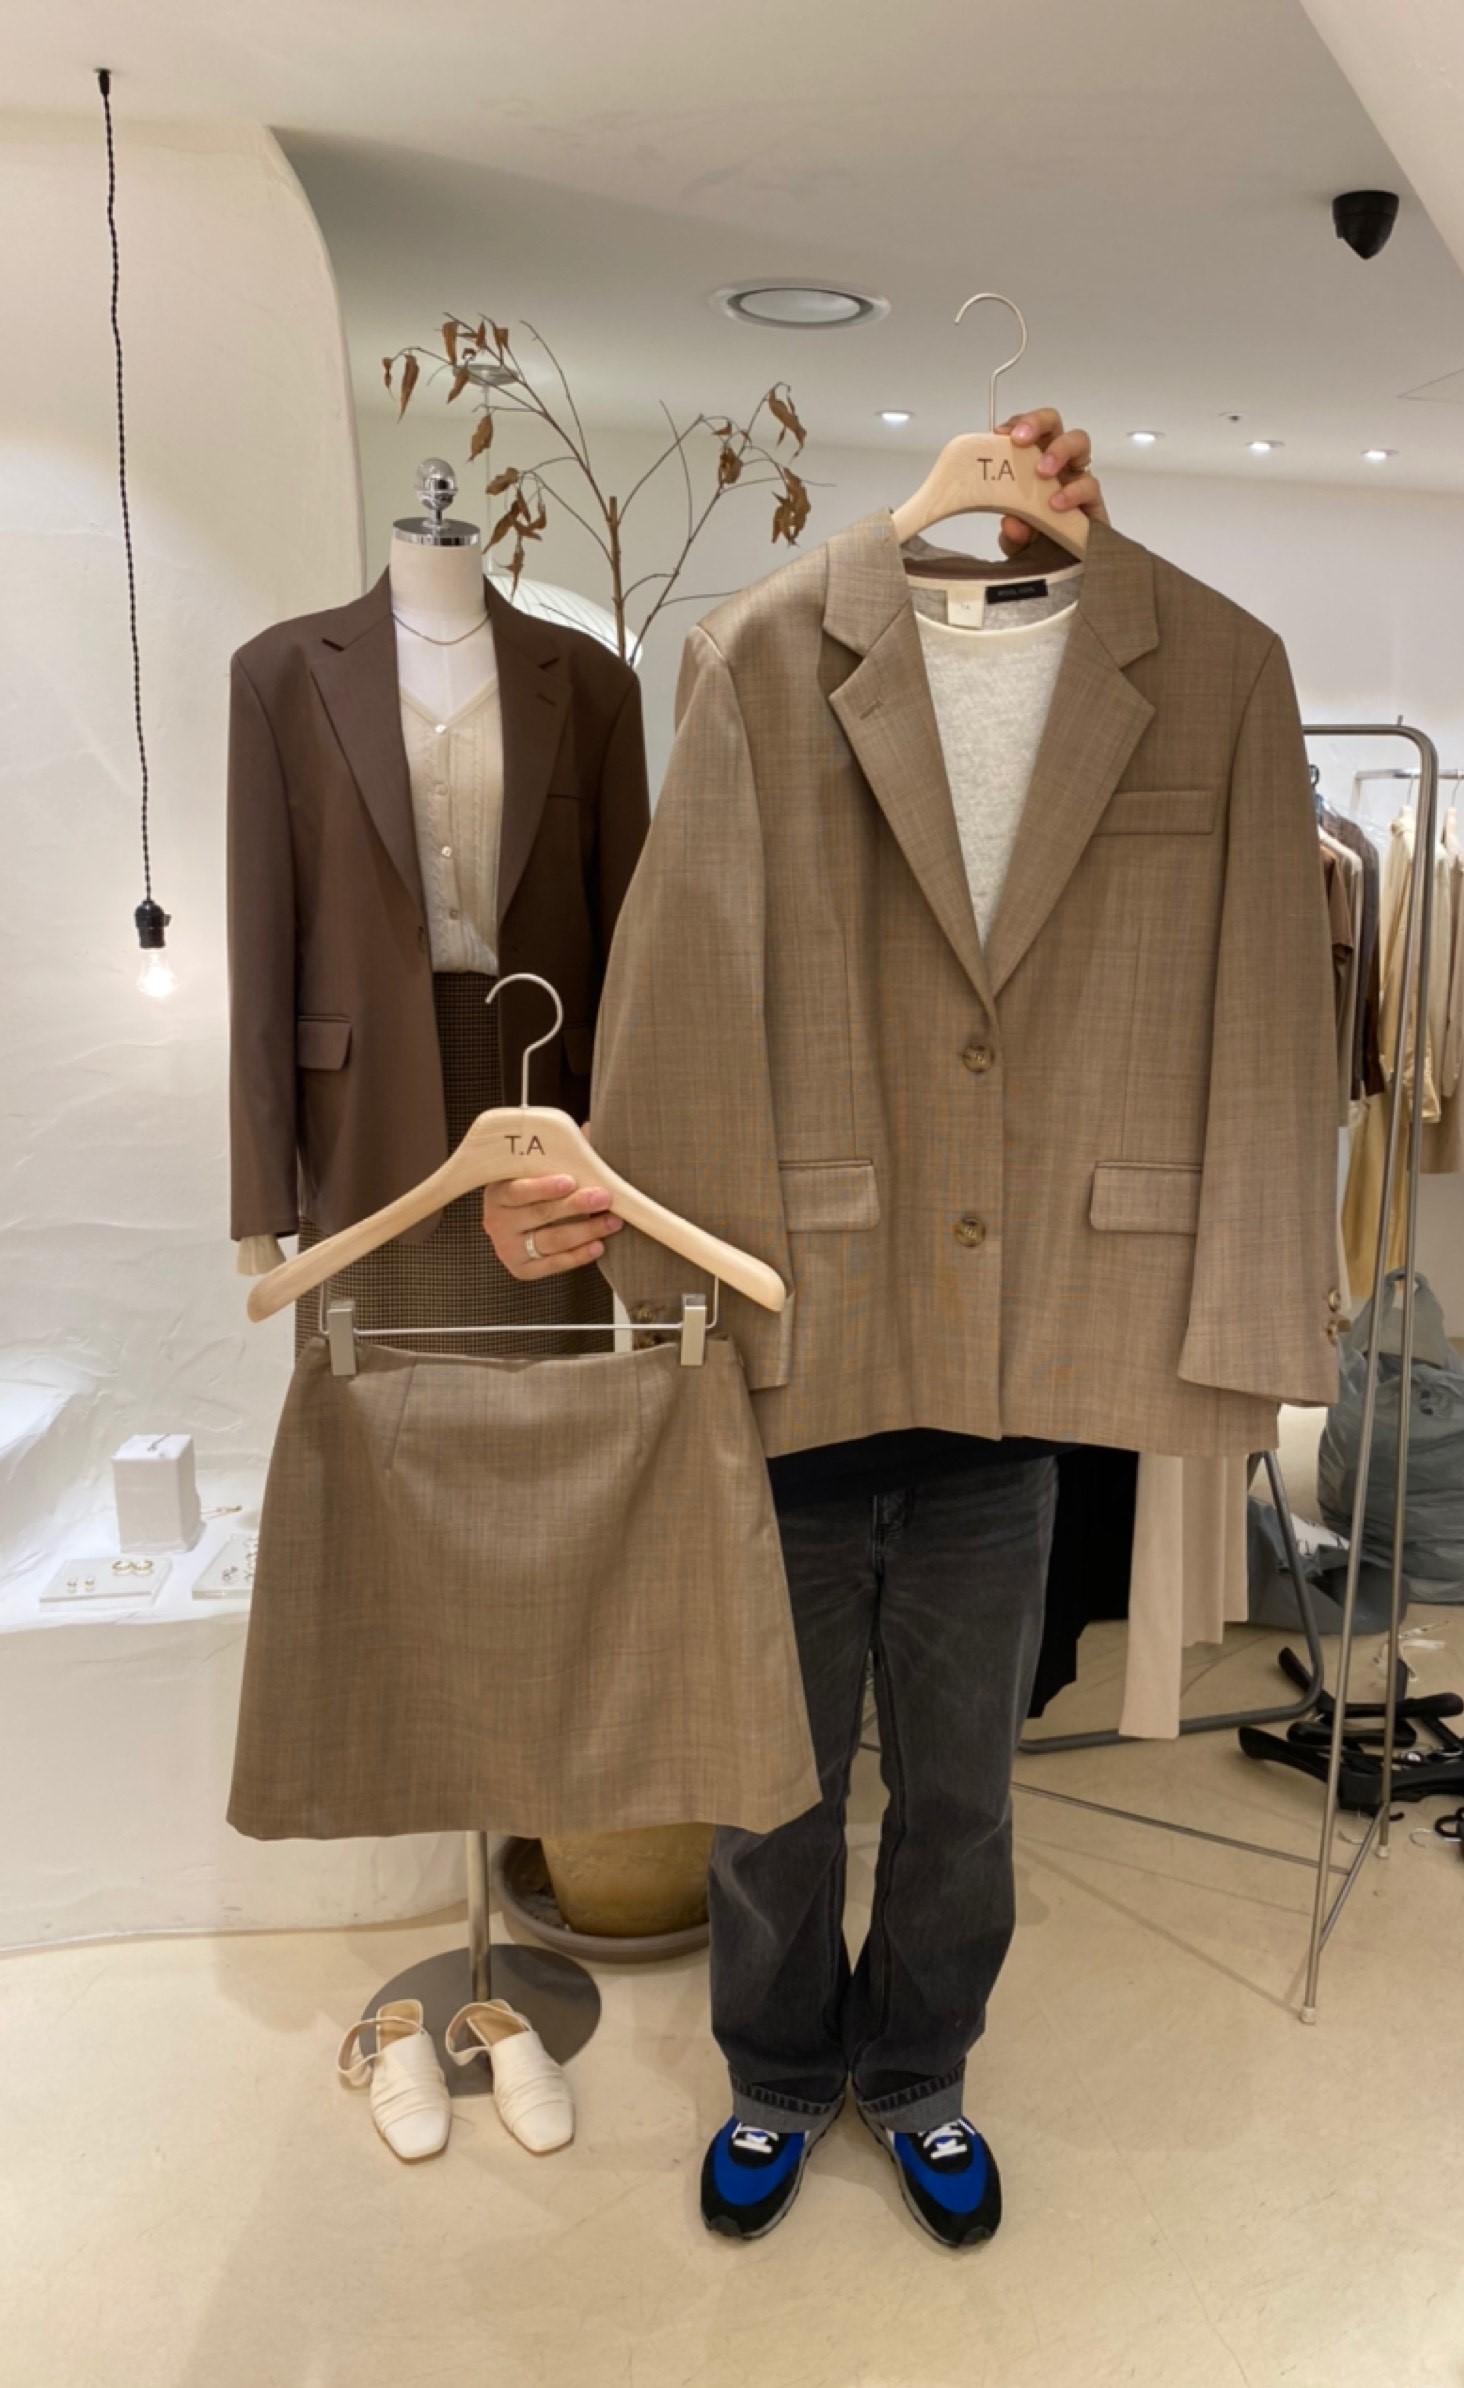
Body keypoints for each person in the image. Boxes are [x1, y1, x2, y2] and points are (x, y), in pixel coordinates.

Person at [482, 411, 1110, 2249]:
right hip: (789, 1378)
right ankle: (774, 2067)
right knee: (769, 1790)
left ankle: (917, 2067)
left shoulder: (1098, 699)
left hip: (999, 1386)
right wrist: (660, 1274)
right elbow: (684, 987)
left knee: (964, 1796)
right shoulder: (761, 663)